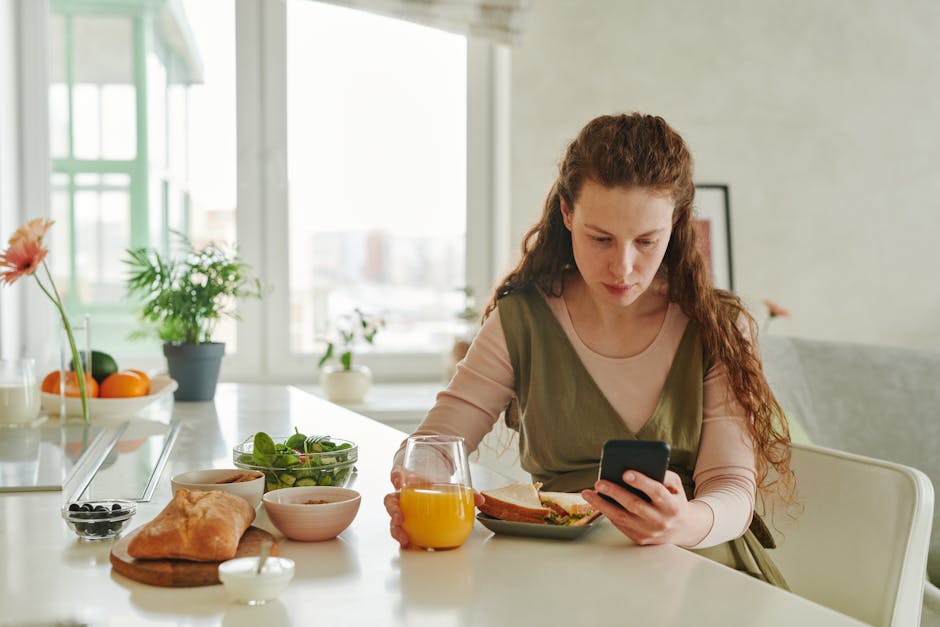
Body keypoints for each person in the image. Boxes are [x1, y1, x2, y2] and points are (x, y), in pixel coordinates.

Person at [384, 112, 794, 587]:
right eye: (600, 239)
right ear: (566, 214)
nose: (623, 266)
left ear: (677, 223)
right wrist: (420, 484)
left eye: (646, 241)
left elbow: (732, 489)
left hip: (700, 568)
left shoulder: (718, 327)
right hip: (562, 575)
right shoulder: (523, 319)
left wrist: (682, 522)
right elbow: (436, 444)